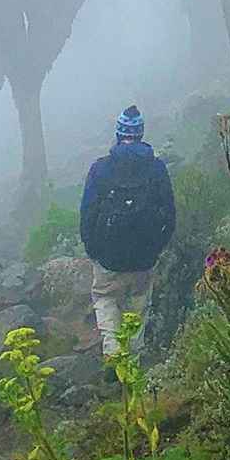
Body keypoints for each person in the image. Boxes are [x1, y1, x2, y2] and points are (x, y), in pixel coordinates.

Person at [79, 106, 176, 362]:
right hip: (144, 256)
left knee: (105, 298)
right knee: (139, 304)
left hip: (108, 257)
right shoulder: (157, 168)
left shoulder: (100, 169)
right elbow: (169, 213)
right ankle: (133, 361)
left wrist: (93, 251)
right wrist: (157, 248)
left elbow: (88, 213)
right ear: (141, 133)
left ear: (118, 133)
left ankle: (112, 352)